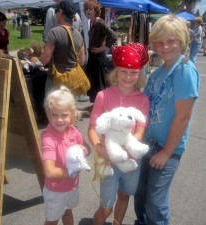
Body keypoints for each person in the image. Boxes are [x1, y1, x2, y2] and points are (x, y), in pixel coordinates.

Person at [134, 15, 200, 225]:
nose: (165, 46)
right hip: (147, 144)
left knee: (155, 203)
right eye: (160, 42)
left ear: (182, 40)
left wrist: (166, 152)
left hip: (166, 149)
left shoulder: (183, 70)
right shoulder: (159, 72)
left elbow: (183, 117)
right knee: (141, 195)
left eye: (171, 40)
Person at [87, 43, 150, 225]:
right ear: (116, 71)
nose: (128, 77)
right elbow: (92, 128)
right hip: (108, 159)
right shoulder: (103, 96)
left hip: (131, 159)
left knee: (124, 195)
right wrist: (100, 149)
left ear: (139, 74)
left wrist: (126, 148)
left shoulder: (143, 99)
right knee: (106, 208)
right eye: (123, 71)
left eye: (133, 72)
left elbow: (140, 129)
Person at [41, 86, 91, 225]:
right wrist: (71, 172)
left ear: (72, 114)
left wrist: (84, 150)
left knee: (68, 212)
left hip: (72, 186)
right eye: (54, 115)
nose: (59, 120)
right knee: (52, 220)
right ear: (47, 113)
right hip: (56, 190)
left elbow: (87, 149)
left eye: (64, 115)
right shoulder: (48, 139)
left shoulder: (73, 131)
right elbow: (50, 172)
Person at [39, 0, 86, 99]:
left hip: (55, 80)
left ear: (60, 12)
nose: (55, 14)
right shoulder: (78, 35)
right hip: (73, 82)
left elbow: (45, 59)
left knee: (52, 109)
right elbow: (82, 61)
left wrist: (39, 56)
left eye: (56, 11)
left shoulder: (54, 32)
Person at [84, 0, 117, 103]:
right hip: (92, 56)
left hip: (98, 57)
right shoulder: (92, 22)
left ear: (95, 10)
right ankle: (95, 104)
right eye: (86, 9)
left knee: (99, 83)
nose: (88, 11)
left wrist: (103, 48)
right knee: (93, 82)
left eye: (90, 9)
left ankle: (101, 104)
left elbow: (113, 35)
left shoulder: (99, 22)